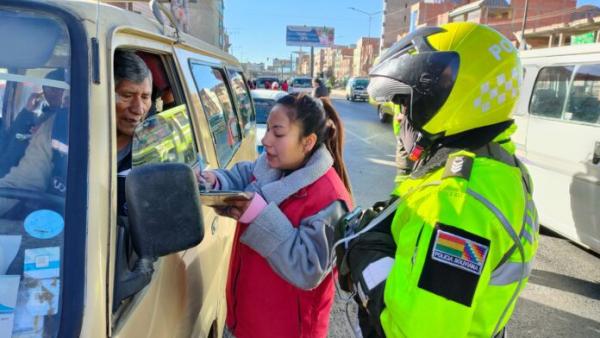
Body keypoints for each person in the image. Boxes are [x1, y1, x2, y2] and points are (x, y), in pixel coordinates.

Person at [337, 22, 539, 338]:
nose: (400, 116)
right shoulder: (490, 165)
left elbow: (420, 331)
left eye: (406, 103)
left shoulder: (460, 204)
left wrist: (363, 256)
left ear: (449, 98)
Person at [200, 93, 352, 338]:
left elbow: (308, 269)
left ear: (308, 142)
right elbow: (243, 175)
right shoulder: (273, 166)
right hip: (247, 322)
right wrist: (217, 180)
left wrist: (260, 216)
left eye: (278, 133)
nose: (266, 139)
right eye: (268, 129)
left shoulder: (330, 198)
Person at [0, 51, 152, 217]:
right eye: (127, 96)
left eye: (145, 97)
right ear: (101, 95)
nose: (139, 109)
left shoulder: (156, 143)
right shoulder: (58, 127)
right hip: (60, 236)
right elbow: (23, 183)